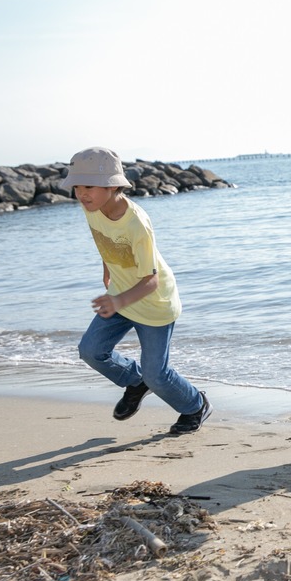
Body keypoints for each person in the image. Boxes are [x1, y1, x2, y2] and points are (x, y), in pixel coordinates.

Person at [60, 146, 212, 435]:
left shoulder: (137, 224)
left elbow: (151, 280)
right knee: (90, 351)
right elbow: (104, 238)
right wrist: (107, 268)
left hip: (154, 303)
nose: (81, 193)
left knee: (157, 375)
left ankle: (195, 405)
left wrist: (117, 300)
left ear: (113, 185)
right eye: (77, 186)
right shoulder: (91, 206)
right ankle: (134, 381)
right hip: (121, 296)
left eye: (89, 186)